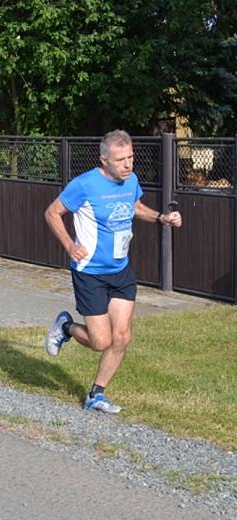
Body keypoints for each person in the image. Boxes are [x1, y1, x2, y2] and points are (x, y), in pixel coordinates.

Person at [44, 130, 182, 414]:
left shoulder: (130, 181)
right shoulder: (84, 185)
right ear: (104, 159)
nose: (128, 164)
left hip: (121, 270)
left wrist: (161, 218)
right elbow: (52, 213)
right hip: (90, 272)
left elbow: (134, 207)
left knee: (122, 337)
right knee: (101, 341)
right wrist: (70, 245)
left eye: (131, 157)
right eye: (121, 159)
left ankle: (97, 394)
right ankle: (66, 327)